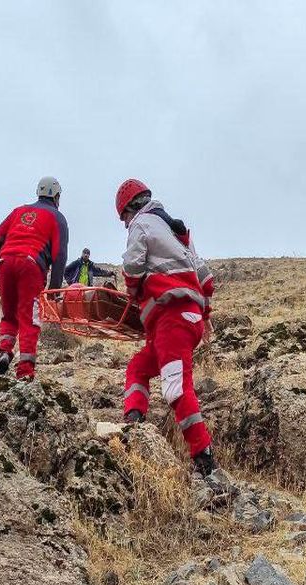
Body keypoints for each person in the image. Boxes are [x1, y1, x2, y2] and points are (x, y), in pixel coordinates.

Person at [115, 178, 217, 476]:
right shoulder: (178, 231)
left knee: (176, 389)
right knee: (139, 366)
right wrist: (206, 315)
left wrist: (133, 292)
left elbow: (133, 266)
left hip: (171, 317)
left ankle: (204, 458)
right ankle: (134, 419)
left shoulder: (142, 224)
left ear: (129, 209)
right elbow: (206, 280)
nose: (124, 225)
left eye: (123, 218)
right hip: (185, 320)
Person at [0, 176, 69, 380]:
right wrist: (54, 289)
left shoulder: (19, 211)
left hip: (4, 262)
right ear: (57, 196)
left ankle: (4, 352)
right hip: (31, 265)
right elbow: (59, 254)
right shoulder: (57, 218)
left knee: (9, 313)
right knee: (29, 318)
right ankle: (25, 370)